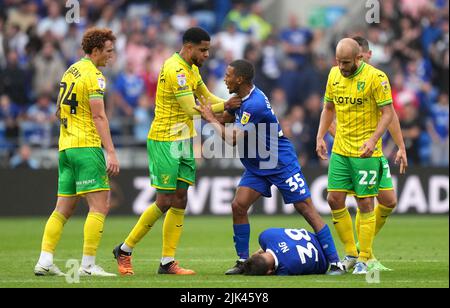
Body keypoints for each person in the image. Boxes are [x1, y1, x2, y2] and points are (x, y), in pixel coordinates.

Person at [195, 59, 345, 276]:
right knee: (238, 206)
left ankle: (335, 262)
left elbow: (233, 138)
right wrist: (216, 111)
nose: (225, 79)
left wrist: (209, 118)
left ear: (240, 79)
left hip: (280, 163)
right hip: (258, 166)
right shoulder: (240, 99)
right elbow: (226, 119)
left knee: (307, 210)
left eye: (228, 75)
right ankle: (243, 261)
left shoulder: (254, 104)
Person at [112, 27, 241, 276]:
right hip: (164, 140)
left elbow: (206, 96)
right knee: (164, 201)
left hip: (184, 139)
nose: (206, 55)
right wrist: (225, 106)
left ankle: (167, 262)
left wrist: (232, 103)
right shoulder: (175, 69)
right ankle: (125, 250)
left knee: (181, 198)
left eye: (208, 50)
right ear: (189, 47)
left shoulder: (192, 69)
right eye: (203, 50)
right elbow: (193, 108)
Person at [34, 28, 119, 277]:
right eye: (108, 51)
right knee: (100, 206)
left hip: (66, 147)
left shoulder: (70, 70)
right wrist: (111, 151)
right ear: (95, 51)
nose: (111, 56)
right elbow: (99, 115)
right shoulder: (95, 76)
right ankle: (88, 265)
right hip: (86, 147)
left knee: (63, 208)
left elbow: (57, 110)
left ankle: (45, 260)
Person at [327, 36, 408, 271]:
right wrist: (340, 139)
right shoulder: (341, 77)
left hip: (372, 151)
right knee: (360, 200)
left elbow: (389, 116)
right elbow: (331, 114)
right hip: (352, 151)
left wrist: (400, 145)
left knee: (388, 201)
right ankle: (363, 255)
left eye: (366, 55)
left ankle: (364, 250)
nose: (366, 59)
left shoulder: (375, 78)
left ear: (365, 56)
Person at [243, 228, 332, 276]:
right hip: (315, 237)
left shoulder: (286, 268)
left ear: (269, 272)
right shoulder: (266, 235)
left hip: (323, 262)